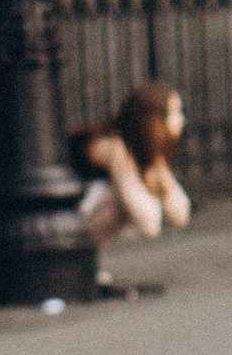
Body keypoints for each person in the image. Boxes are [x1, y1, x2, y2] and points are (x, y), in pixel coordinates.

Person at [73, 82, 193, 253]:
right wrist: (152, 176)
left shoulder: (144, 149)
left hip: (83, 224)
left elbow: (180, 214)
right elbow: (149, 223)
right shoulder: (114, 147)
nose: (181, 119)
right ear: (153, 119)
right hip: (72, 222)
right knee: (118, 201)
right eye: (174, 112)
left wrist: (158, 167)